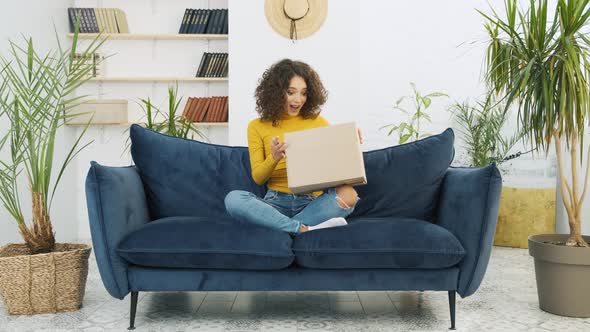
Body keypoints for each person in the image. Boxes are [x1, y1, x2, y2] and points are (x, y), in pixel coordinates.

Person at [224, 59, 362, 235]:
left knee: (348, 193)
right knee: (233, 199)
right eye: (291, 92)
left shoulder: (318, 122)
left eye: (304, 93)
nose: (299, 100)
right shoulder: (256, 126)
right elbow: (258, 178)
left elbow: (335, 168)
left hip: (312, 203)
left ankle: (282, 226)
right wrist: (273, 158)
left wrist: (350, 141)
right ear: (275, 93)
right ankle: (302, 229)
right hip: (274, 203)